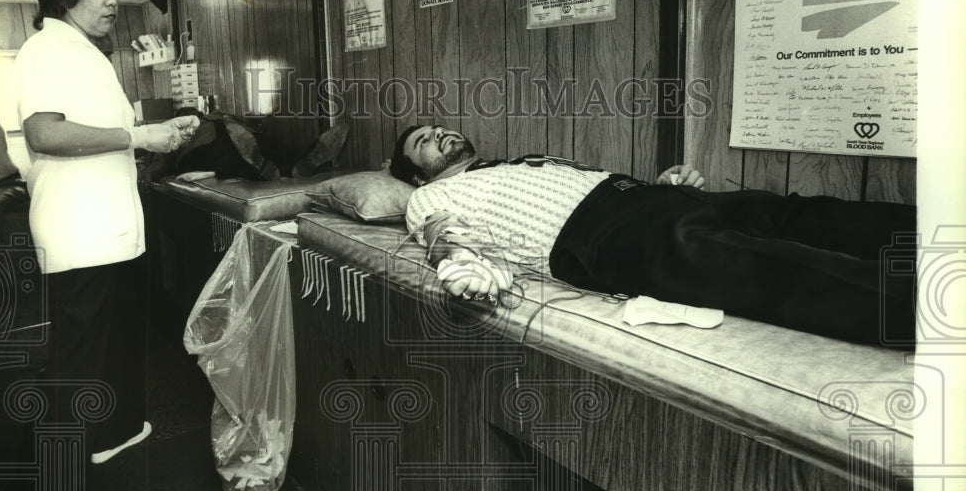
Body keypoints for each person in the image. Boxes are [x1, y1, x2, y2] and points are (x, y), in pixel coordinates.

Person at [389, 124, 916, 347]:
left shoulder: (514, 161)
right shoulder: (427, 198)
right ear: (416, 174)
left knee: (799, 214)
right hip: (600, 237)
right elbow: (447, 242)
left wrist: (660, 185)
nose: (440, 134)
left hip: (646, 199)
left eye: (438, 128)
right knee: (770, 266)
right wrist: (466, 268)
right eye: (424, 142)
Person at [4, 0, 200, 491]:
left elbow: (105, 140)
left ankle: (108, 436)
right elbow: (45, 135)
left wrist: (160, 136)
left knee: (112, 354)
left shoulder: (87, 53)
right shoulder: (45, 48)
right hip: (79, 234)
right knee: (73, 367)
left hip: (113, 234)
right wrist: (141, 139)